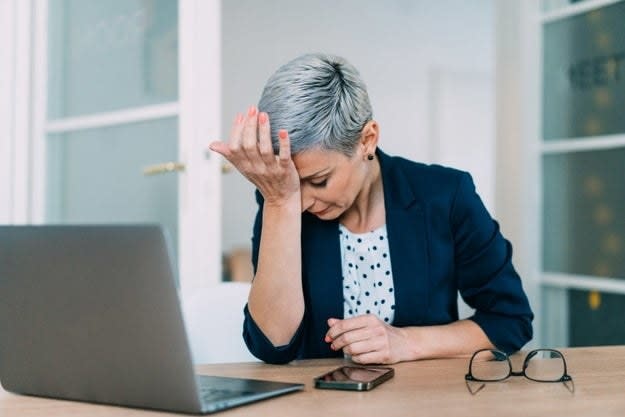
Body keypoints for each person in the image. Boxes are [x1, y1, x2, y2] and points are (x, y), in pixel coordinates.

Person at [209, 53, 533, 365]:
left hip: (425, 401)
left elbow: (509, 320)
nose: (304, 202)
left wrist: (405, 342)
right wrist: (279, 204)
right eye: (294, 187)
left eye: (319, 181)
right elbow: (272, 346)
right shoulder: (283, 200)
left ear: (367, 139)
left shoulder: (445, 195)